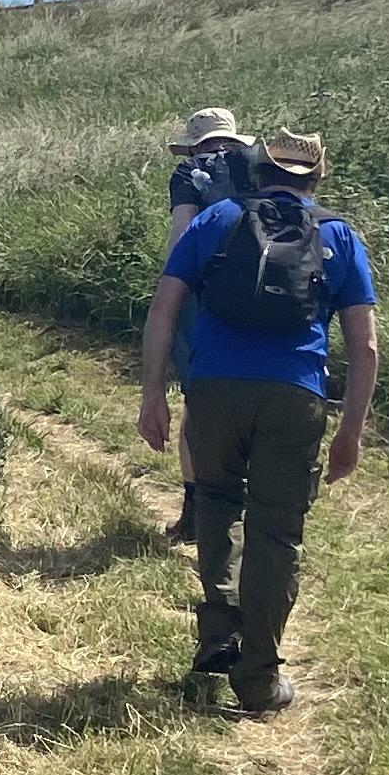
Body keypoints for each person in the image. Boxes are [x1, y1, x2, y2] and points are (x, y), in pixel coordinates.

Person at [135, 130, 377, 714]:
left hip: (214, 389)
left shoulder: (215, 218)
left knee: (217, 502)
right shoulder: (338, 235)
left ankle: (219, 633)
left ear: (257, 169)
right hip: (294, 396)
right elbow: (364, 346)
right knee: (276, 530)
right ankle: (259, 680)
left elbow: (163, 310)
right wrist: (351, 431)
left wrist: (153, 394)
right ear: (317, 177)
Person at [159, 110, 256, 543]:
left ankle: (195, 512)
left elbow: (182, 239)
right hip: (265, 295)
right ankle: (249, 503)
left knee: (198, 401)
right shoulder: (263, 169)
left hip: (204, 299)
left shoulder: (191, 173)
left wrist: (169, 294)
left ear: (196, 144)